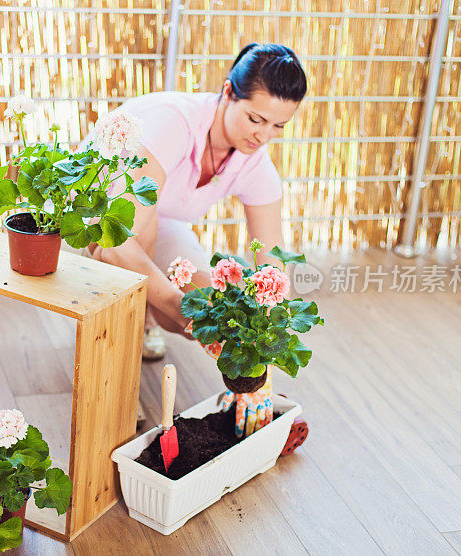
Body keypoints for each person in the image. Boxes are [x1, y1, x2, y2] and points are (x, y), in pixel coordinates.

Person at [86, 43, 309, 449]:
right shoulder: (173, 124)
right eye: (255, 118)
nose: (263, 135)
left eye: (278, 126)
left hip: (159, 219)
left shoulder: (255, 163)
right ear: (227, 93)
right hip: (98, 215)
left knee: (206, 295)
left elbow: (273, 270)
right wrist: (174, 307)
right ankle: (114, 377)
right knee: (156, 266)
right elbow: (117, 243)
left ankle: (147, 317)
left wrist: (260, 354)